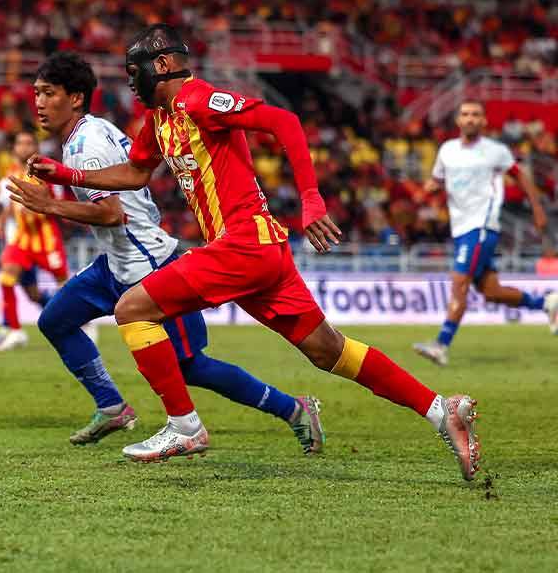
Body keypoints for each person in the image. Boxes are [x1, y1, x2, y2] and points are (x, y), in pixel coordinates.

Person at [28, 24, 480, 481]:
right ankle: (442, 410)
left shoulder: (198, 100)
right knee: (328, 351)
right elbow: (135, 173)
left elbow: (285, 122)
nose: (130, 82)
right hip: (260, 253)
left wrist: (311, 199)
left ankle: (184, 427)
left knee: (132, 310)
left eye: (134, 71)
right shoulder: (160, 120)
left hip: (243, 242)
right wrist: (67, 175)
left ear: (162, 65)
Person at [8, 52, 324, 452]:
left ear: (75, 99)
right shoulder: (88, 134)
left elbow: (112, 215)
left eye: (47, 93)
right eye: (35, 93)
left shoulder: (85, 145)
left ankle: (293, 409)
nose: (37, 102)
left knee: (191, 365)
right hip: (115, 265)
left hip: (148, 264)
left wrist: (50, 205)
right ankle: (112, 405)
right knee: (56, 319)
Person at [414, 99, 557, 365]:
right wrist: (430, 187)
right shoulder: (447, 150)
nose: (470, 119)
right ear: (458, 120)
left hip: (481, 226)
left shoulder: (495, 151)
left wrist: (537, 208)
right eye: (465, 114)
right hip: (460, 228)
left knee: (459, 283)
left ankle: (441, 345)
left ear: (484, 121)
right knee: (492, 291)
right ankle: (547, 304)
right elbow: (437, 179)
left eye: (475, 115)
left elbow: (521, 176)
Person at [0, 130, 70, 352]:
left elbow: (60, 203)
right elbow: (11, 203)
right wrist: (1, 220)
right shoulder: (12, 172)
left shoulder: (47, 171)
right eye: (20, 143)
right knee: (6, 278)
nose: (23, 147)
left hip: (46, 239)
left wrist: (44, 200)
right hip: (21, 239)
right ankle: (14, 330)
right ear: (14, 148)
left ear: (36, 147)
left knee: (61, 285)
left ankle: (77, 321)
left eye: (28, 143)